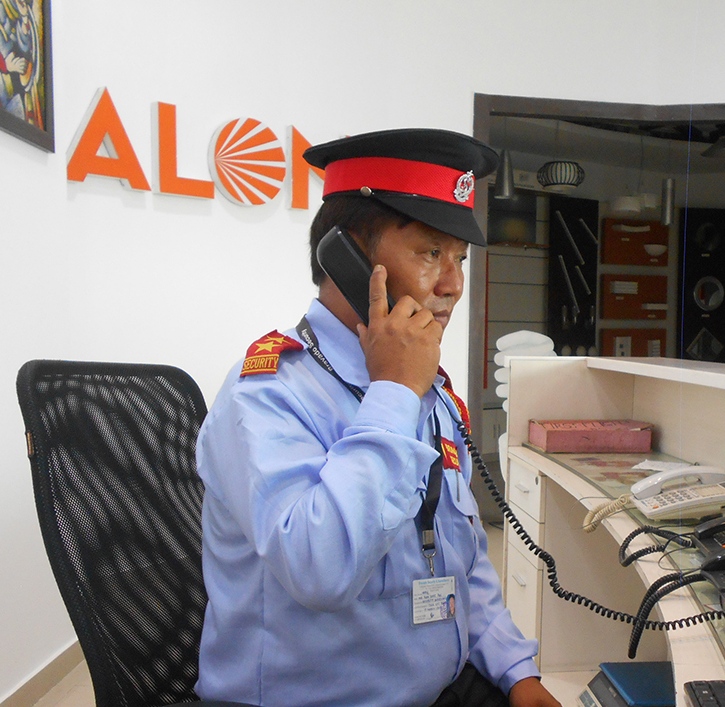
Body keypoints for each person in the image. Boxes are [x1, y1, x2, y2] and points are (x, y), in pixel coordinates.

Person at [195, 128, 562, 707]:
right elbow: (320, 569)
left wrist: (517, 671)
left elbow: (460, 557)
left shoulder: (431, 393)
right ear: (346, 256)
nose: (453, 285)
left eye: (460, 259)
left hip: (438, 686)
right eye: (431, 253)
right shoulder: (266, 393)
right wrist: (392, 392)